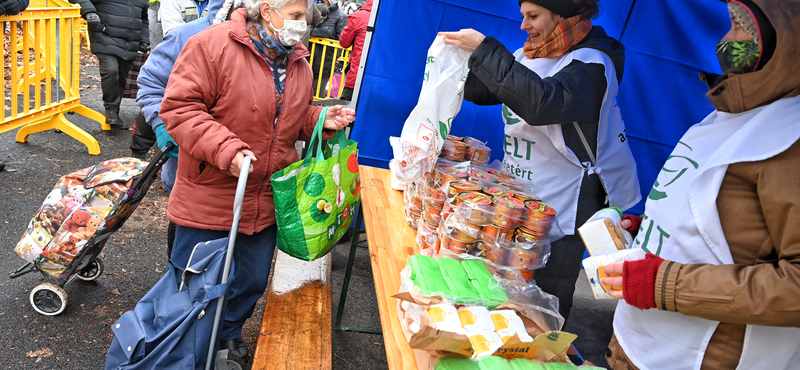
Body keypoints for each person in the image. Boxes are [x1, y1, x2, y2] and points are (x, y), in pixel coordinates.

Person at [599, 1, 800, 369]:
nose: (725, 41)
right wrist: (657, 232)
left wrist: (662, 282)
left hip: (701, 357)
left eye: (740, 28)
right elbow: (729, 220)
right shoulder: (732, 109)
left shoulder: (790, 140)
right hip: (638, 342)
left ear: (783, 41)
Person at [159, 0, 355, 360]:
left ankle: (227, 334)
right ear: (267, 10)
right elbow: (179, 108)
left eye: (306, 18)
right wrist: (227, 149)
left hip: (265, 198)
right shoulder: (211, 45)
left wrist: (318, 119)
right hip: (212, 191)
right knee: (195, 281)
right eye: (296, 16)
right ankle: (181, 344)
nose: (304, 26)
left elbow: (287, 118)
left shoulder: (298, 61)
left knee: (249, 280)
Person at [439, 0, 640, 322]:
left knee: (547, 281)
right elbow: (493, 89)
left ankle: (545, 342)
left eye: (533, 16)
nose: (523, 26)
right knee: (504, 267)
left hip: (570, 193)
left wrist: (486, 50)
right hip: (524, 184)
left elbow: (544, 103)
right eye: (523, 16)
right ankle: (500, 331)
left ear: (564, 16)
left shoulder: (593, 64)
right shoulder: (532, 55)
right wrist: (459, 62)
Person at [70, 0, 149, 129]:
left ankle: (114, 113)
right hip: (105, 37)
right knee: (111, 71)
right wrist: (89, 12)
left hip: (130, 42)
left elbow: (144, 19)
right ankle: (111, 110)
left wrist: (144, 40)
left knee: (122, 78)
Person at [337, 0, 370, 101]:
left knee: (346, 110)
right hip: (380, 78)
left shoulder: (358, 16)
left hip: (357, 73)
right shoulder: (391, 19)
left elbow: (344, 42)